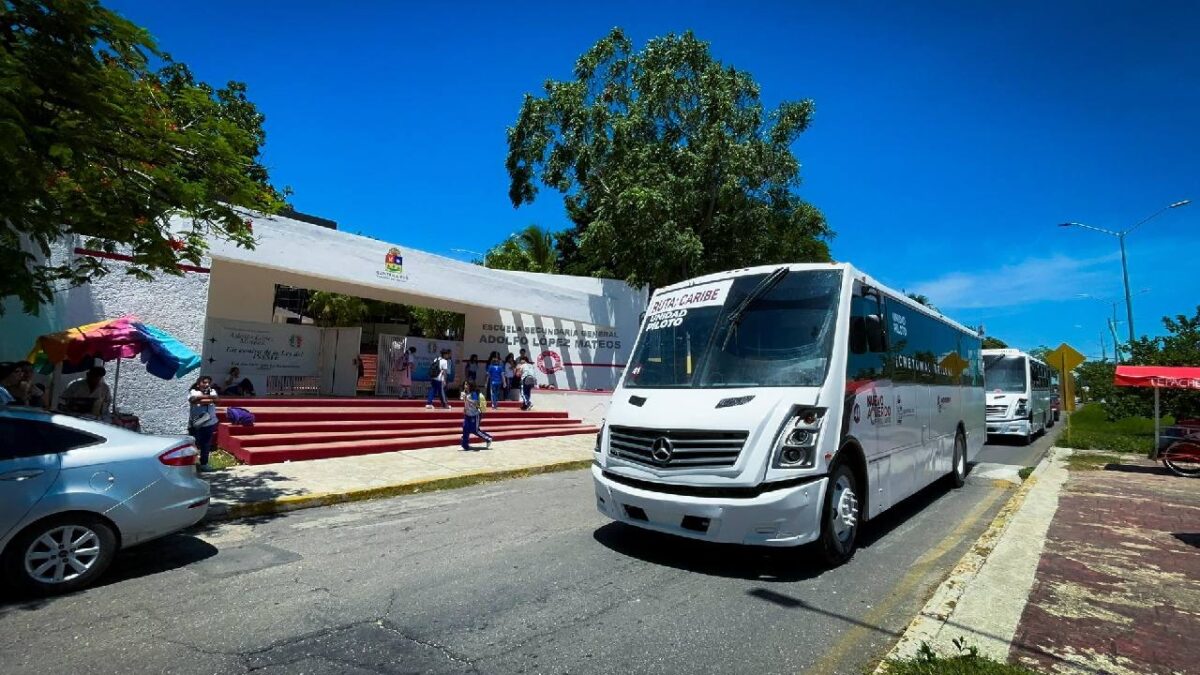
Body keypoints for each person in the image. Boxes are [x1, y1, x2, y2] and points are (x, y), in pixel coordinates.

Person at [188, 375, 220, 470]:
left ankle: (204, 464)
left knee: (206, 444)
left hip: (209, 423)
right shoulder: (193, 391)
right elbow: (192, 400)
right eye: (204, 382)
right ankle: (191, 463)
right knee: (194, 443)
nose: (207, 384)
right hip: (196, 423)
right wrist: (210, 398)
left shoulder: (212, 391)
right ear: (198, 384)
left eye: (208, 383)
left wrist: (202, 399)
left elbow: (217, 401)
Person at [459, 380, 493, 451]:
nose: (465, 386)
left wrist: (467, 399)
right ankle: (465, 445)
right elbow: (465, 402)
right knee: (465, 428)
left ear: (470, 386)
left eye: (467, 384)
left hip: (475, 414)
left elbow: (476, 403)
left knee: (475, 430)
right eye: (465, 384)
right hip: (467, 414)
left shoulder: (474, 393)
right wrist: (465, 407)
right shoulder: (465, 393)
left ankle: (488, 438)